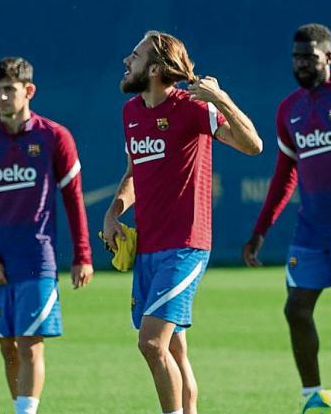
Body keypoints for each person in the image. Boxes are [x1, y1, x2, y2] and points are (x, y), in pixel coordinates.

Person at [102, 31, 262, 414]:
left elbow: (253, 145)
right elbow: (134, 171)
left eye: (136, 55)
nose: (127, 60)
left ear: (155, 68)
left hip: (186, 246)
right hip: (149, 247)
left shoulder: (193, 107)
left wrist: (220, 98)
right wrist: (113, 212)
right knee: (174, 349)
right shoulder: (131, 113)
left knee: (152, 344)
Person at [242, 23, 331, 414]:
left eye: (309, 56)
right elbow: (284, 174)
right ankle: (312, 399)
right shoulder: (289, 108)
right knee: (296, 309)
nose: (301, 63)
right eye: (296, 57)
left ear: (328, 57)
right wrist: (260, 230)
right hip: (311, 230)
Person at [0, 57, 92, 414]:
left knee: (29, 344)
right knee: (6, 346)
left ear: (29, 90)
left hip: (38, 259)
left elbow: (73, 199)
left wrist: (82, 254)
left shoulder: (54, 136)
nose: (2, 97)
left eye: (10, 89)